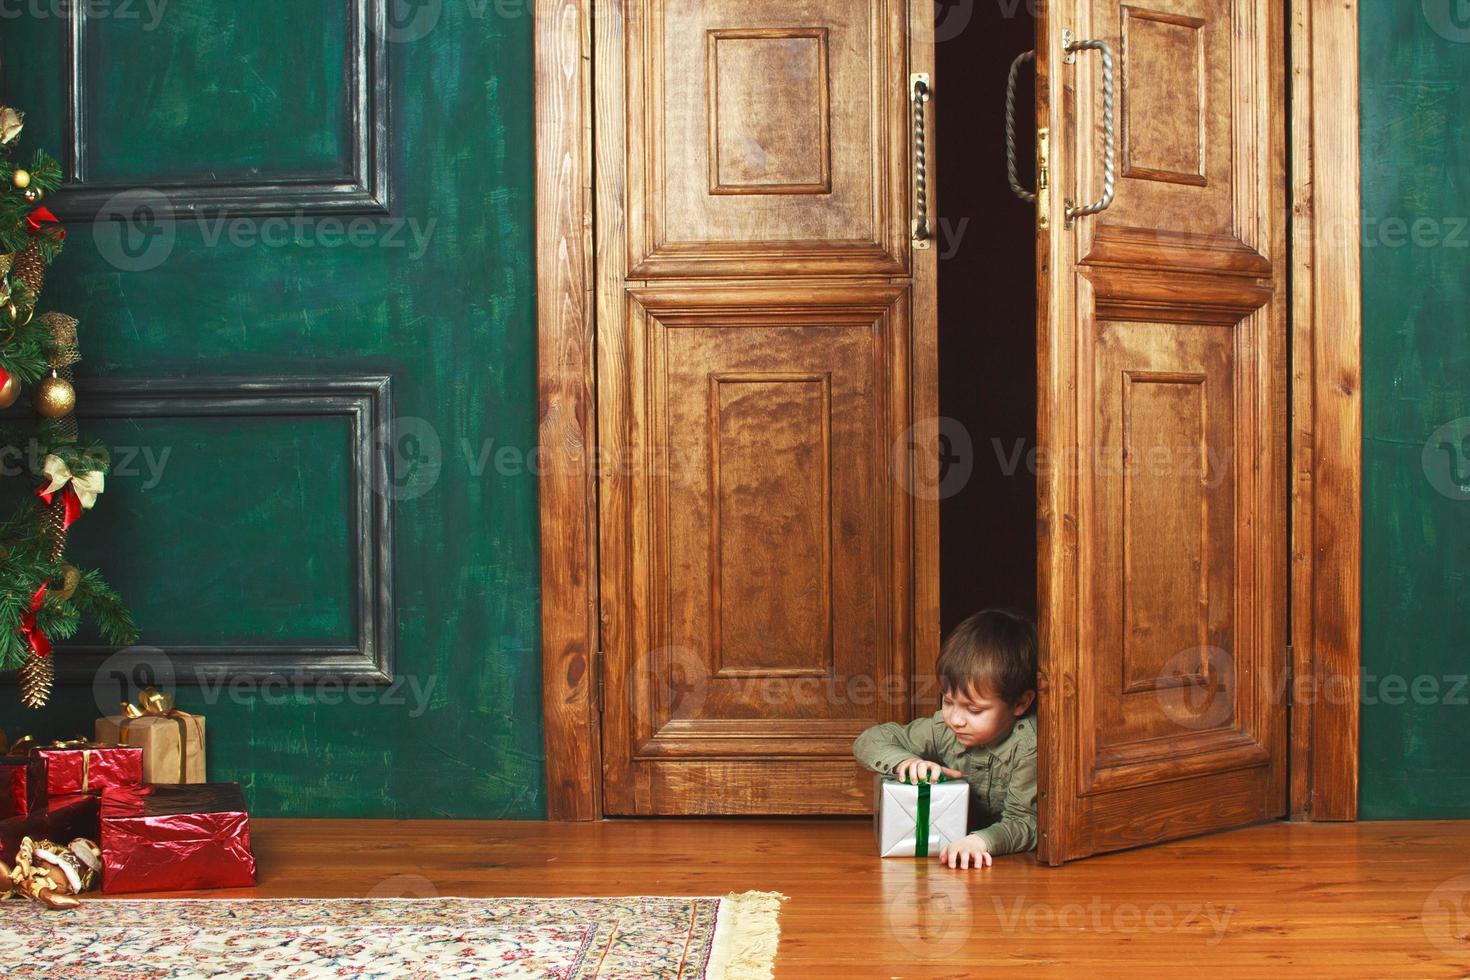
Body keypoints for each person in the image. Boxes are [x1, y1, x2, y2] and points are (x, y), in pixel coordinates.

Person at [853, 609, 1038, 868]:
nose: (956, 719)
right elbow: (869, 740)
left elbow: (1025, 822)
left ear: (1020, 703)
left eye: (974, 710)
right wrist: (905, 761)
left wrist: (981, 842)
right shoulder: (944, 727)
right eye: (948, 701)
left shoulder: (1029, 746)